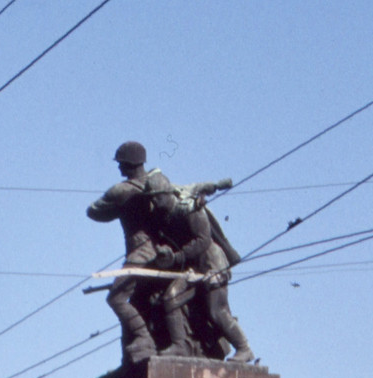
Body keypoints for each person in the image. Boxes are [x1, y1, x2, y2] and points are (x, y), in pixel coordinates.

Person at [148, 178, 254, 363]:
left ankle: (244, 348)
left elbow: (203, 239)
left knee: (217, 311)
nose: (153, 203)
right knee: (170, 298)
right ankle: (180, 345)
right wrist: (165, 254)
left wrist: (178, 256)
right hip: (192, 264)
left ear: (166, 194)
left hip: (211, 261)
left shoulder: (188, 208)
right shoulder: (162, 216)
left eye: (156, 198)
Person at [87, 141, 170, 362]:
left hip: (140, 254)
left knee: (116, 298)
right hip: (164, 254)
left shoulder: (121, 190)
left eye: (121, 164)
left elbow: (93, 212)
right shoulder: (159, 185)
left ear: (128, 164)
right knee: (143, 302)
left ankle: (145, 338)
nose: (119, 169)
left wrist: (119, 207)